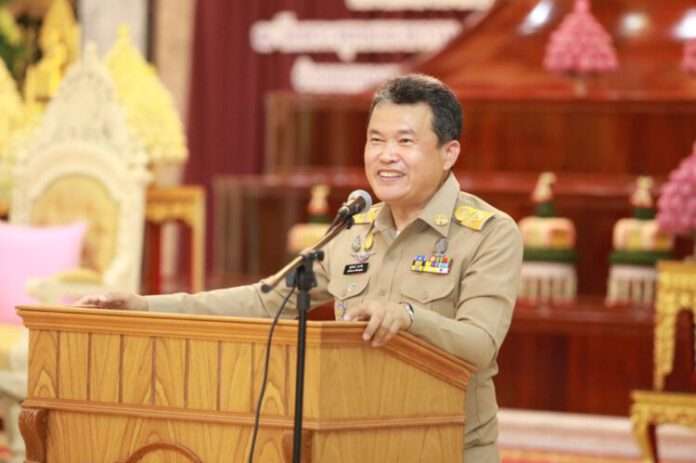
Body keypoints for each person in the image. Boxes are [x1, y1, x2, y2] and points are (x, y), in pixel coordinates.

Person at [78, 74, 523, 462]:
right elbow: (264, 301)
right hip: (357, 444)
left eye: (405, 142)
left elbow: (480, 344)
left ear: (448, 152)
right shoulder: (353, 231)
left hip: (447, 448)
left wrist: (407, 318)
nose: (386, 155)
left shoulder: (488, 233)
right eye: (376, 140)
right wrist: (144, 306)